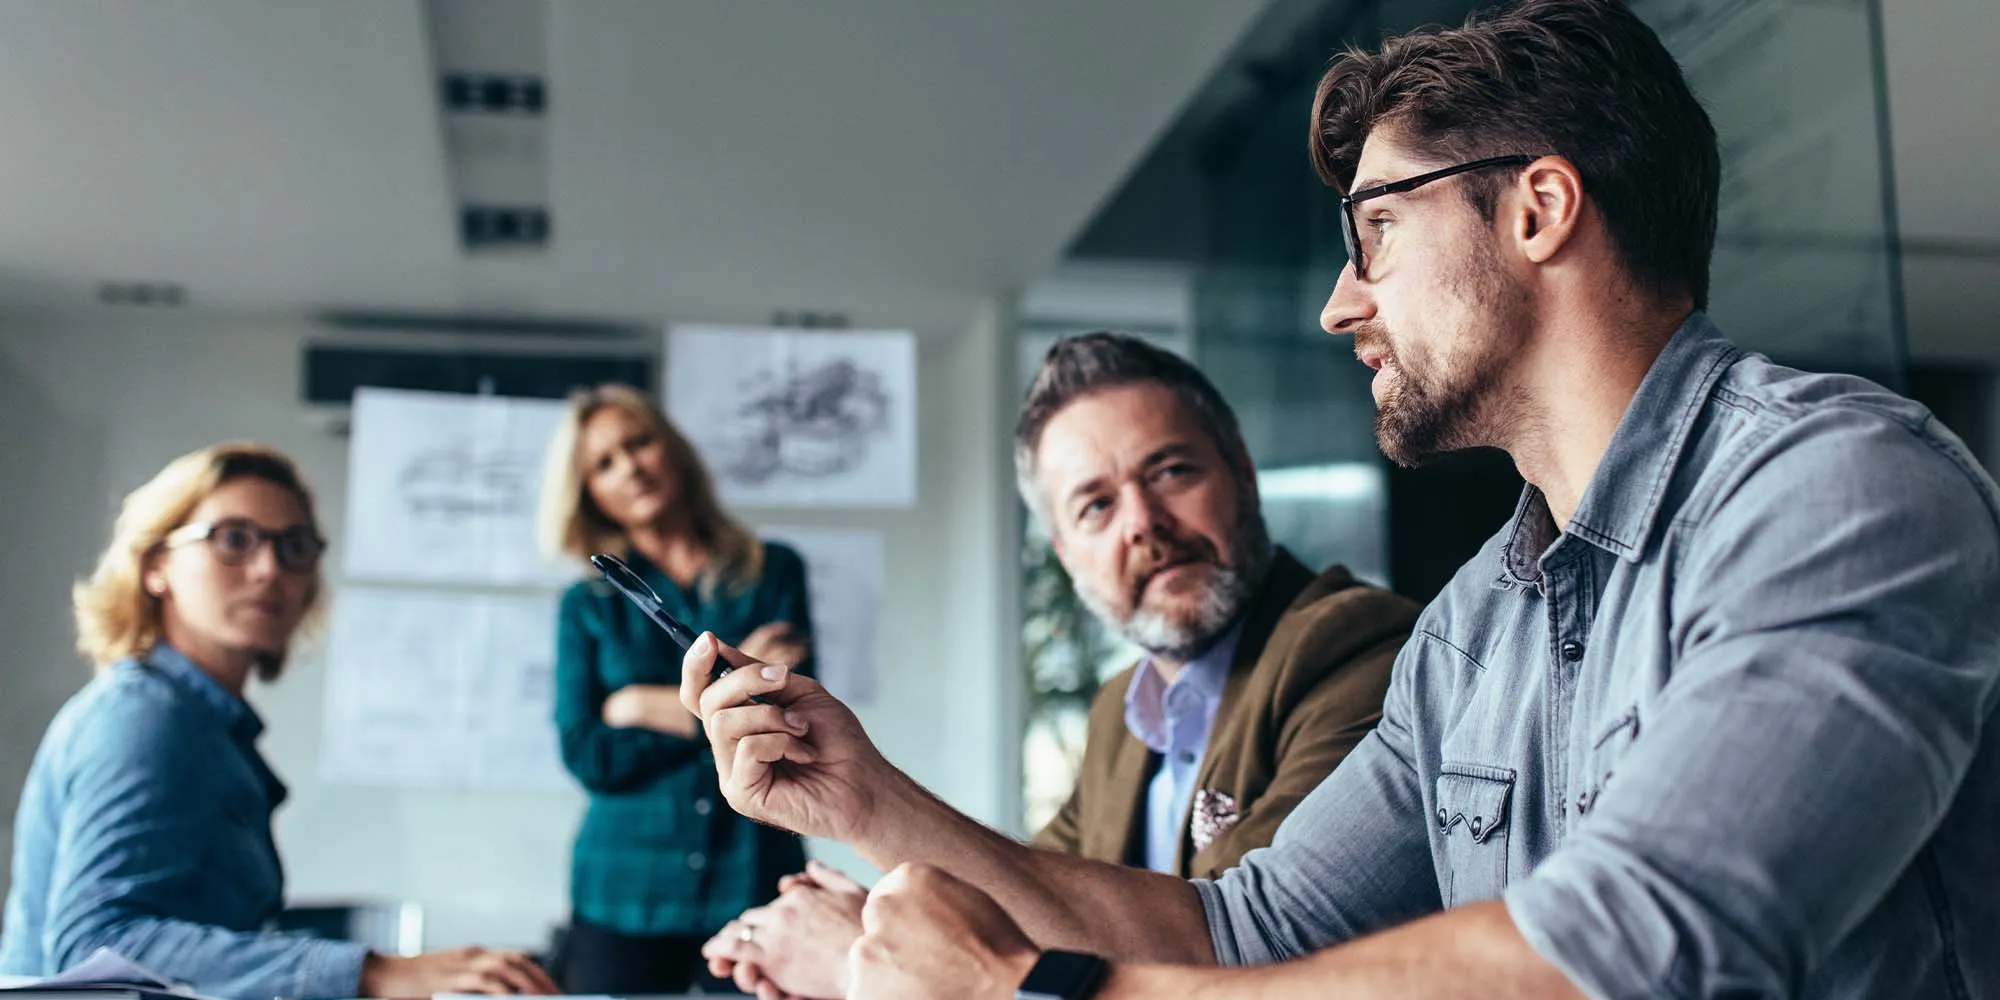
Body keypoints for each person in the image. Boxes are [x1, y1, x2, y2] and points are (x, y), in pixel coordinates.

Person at [676, 1, 2000, 997]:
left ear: (1540, 208)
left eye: (1377, 232)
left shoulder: (1839, 490)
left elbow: (1647, 941)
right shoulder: (1479, 623)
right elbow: (1243, 932)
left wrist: (1031, 992)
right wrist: (861, 800)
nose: (1339, 302)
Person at [700, 334, 1420, 999]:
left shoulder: (1356, 647)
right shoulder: (1121, 711)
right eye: (1096, 506)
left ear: (1241, 472)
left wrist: (860, 960)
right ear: (1063, 552)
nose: (1142, 522)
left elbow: (1241, 951)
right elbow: (1030, 904)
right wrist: (880, 915)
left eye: (1170, 471)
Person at [0, 443, 559, 1000]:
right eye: (233, 540)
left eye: (294, 547)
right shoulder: (144, 717)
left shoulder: (207, 726)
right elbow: (96, 948)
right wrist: (373, 973)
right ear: (156, 565)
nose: (270, 569)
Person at [538, 383, 814, 995]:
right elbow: (588, 753)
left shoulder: (774, 572)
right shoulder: (587, 606)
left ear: (673, 450)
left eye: (639, 443)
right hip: (623, 891)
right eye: (604, 464)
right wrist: (723, 707)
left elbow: (788, 722)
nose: (630, 467)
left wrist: (637, 706)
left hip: (752, 876)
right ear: (589, 494)